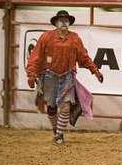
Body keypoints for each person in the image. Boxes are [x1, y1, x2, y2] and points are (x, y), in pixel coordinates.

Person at [26, 10, 103, 145]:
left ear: (69, 23)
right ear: (56, 23)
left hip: (67, 76)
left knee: (66, 107)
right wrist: (31, 74)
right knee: (51, 106)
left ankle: (59, 134)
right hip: (49, 75)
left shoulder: (74, 38)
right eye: (61, 20)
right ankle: (56, 130)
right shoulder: (46, 37)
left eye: (66, 20)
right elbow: (35, 57)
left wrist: (95, 70)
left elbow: (83, 57)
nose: (63, 23)